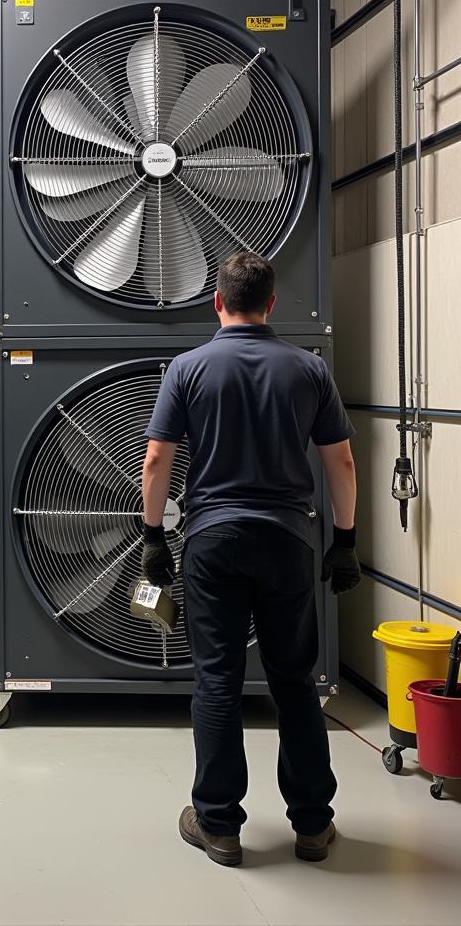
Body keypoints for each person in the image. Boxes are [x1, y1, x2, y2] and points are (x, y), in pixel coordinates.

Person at [140, 252, 360, 868]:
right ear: (270, 305)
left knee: (218, 681)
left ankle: (218, 826)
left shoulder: (187, 368)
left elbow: (157, 461)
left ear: (217, 302)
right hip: (289, 540)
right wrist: (345, 541)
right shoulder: (307, 368)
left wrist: (154, 535)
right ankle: (313, 825)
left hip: (212, 541)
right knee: (294, 681)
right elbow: (340, 461)